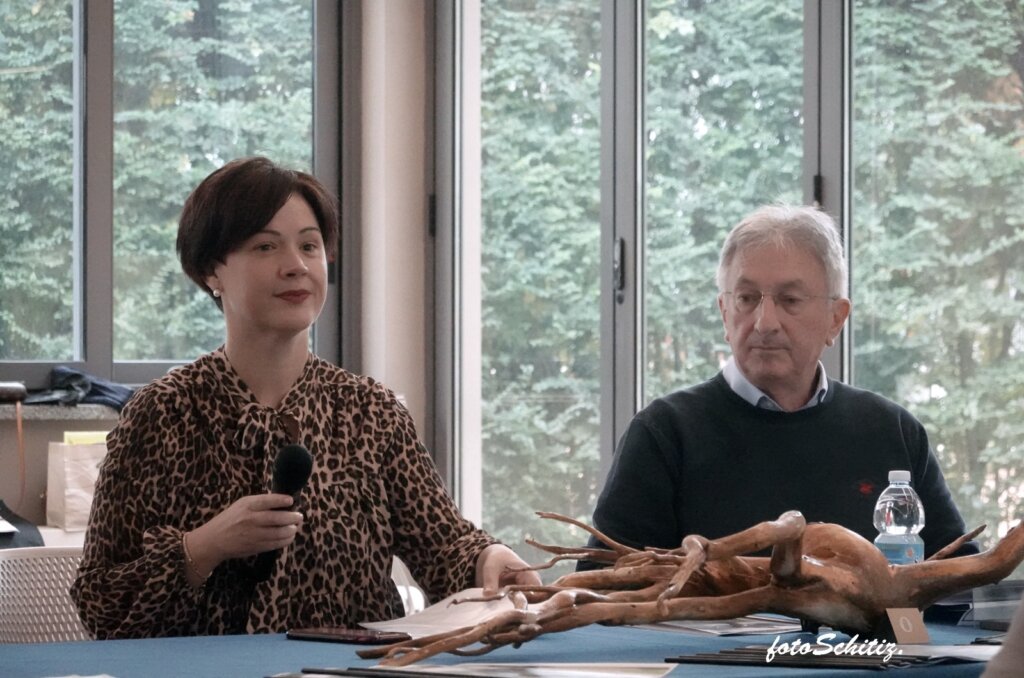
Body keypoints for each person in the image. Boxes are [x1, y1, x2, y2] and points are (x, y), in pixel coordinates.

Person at [72, 156, 540, 639]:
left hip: (354, 669)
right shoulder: (161, 414)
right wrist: (203, 547)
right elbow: (100, 604)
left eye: (309, 246)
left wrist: (489, 559)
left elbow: (446, 548)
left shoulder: (370, 412)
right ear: (212, 271)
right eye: (266, 246)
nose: (296, 266)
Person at [584, 204, 976, 564]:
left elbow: (961, 584)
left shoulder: (892, 432)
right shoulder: (664, 434)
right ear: (724, 312)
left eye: (789, 300)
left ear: (836, 319)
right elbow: (602, 590)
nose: (765, 322)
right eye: (747, 298)